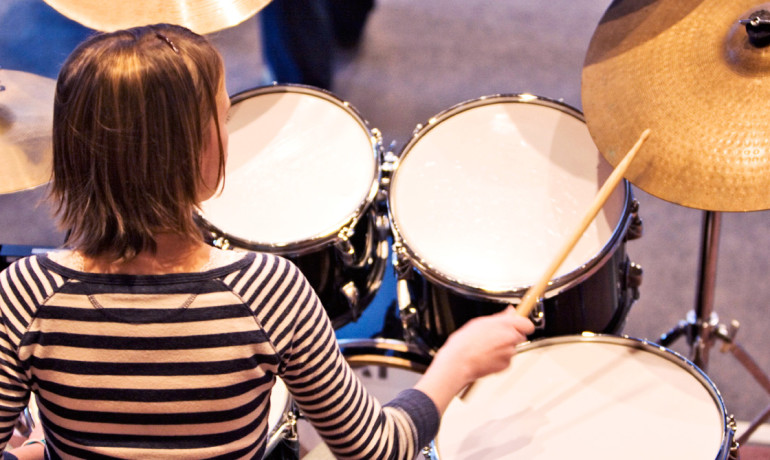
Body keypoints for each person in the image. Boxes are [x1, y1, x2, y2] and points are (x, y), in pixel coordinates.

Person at [0, 24, 534, 459]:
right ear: (198, 152)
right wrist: (456, 363)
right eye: (224, 115)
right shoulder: (267, 290)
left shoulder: (23, 296)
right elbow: (375, 448)